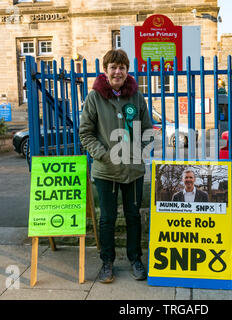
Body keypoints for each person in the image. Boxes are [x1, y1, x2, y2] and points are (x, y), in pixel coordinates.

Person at [79, 49, 153, 283]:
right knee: (107, 218)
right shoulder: (94, 98)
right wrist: (103, 155)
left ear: (127, 71)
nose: (117, 71)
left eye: (122, 67)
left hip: (133, 171)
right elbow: (86, 133)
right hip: (106, 171)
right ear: (106, 70)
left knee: (133, 216)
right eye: (113, 67)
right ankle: (107, 262)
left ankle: (135, 259)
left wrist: (138, 152)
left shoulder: (137, 97)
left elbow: (148, 131)